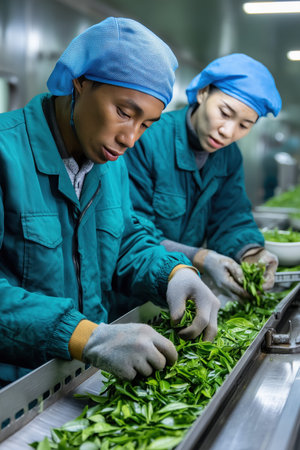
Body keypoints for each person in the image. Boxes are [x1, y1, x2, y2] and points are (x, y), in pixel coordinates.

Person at [0, 17, 221, 387]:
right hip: (14, 389)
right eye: (124, 112)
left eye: (146, 124)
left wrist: (173, 272)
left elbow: (121, 240)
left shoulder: (106, 163)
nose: (130, 138)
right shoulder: (7, 153)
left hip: (80, 379)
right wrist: (86, 336)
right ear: (80, 83)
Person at [124, 53, 281, 302]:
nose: (228, 132)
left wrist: (251, 253)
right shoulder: (147, 139)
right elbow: (132, 230)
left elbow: (231, 217)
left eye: (244, 125)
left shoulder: (229, 157)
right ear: (203, 92)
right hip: (128, 295)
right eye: (225, 113)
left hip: (184, 293)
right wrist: (201, 258)